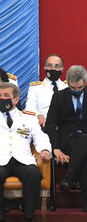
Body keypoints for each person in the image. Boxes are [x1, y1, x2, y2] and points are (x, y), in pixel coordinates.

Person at [0, 83, 51, 222]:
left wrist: (44, 150)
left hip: (23, 160)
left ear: (16, 99)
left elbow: (41, 137)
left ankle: (29, 216)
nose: (2, 99)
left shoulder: (28, 118)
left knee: (34, 174)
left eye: (6, 96)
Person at [46, 65, 87, 212]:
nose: (77, 90)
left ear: (85, 82)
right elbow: (50, 123)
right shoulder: (58, 96)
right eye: (73, 88)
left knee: (84, 143)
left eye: (80, 88)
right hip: (67, 140)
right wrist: (55, 148)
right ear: (67, 83)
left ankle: (68, 178)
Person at [26, 54, 68, 127]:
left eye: (57, 66)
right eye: (50, 66)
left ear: (62, 69)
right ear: (44, 68)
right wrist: (38, 115)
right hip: (43, 125)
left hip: (64, 127)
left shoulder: (68, 87)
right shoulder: (35, 88)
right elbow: (29, 108)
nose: (53, 69)